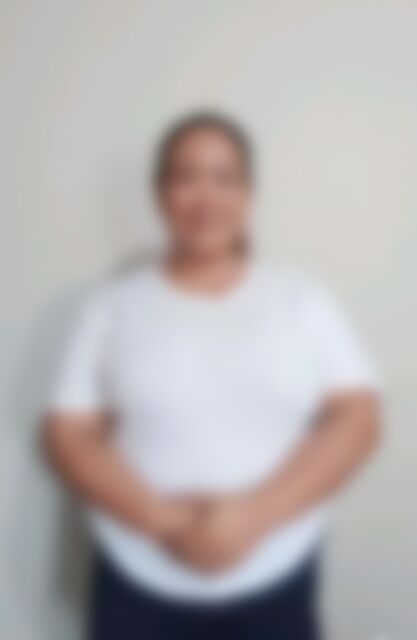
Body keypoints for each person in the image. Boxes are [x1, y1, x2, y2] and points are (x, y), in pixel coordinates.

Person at [45, 112, 380, 639]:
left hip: (277, 573)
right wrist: (168, 524)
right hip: (136, 574)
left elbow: (359, 417)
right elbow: (68, 433)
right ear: (160, 194)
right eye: (186, 177)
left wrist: (249, 519)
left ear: (248, 195)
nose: (206, 197)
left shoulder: (302, 301)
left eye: (224, 178)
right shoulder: (111, 307)